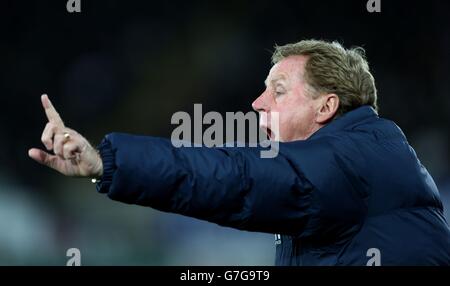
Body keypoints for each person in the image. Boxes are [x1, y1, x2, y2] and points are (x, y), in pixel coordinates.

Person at [28, 40, 450, 265]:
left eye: (278, 91)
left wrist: (108, 163)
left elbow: (236, 179)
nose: (257, 103)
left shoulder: (348, 160)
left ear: (326, 107)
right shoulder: (363, 156)